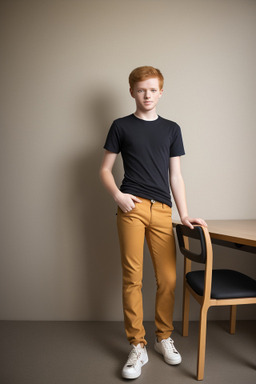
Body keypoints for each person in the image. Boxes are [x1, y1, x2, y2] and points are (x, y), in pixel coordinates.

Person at [99, 66, 207, 380]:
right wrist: (119, 196)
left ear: (161, 92)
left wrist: (183, 214)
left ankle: (163, 338)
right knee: (133, 277)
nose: (147, 95)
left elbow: (176, 175)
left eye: (153, 89)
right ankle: (137, 344)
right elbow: (105, 169)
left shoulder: (172, 129)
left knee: (168, 279)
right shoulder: (120, 126)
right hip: (131, 208)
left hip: (162, 211)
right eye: (141, 89)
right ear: (132, 91)